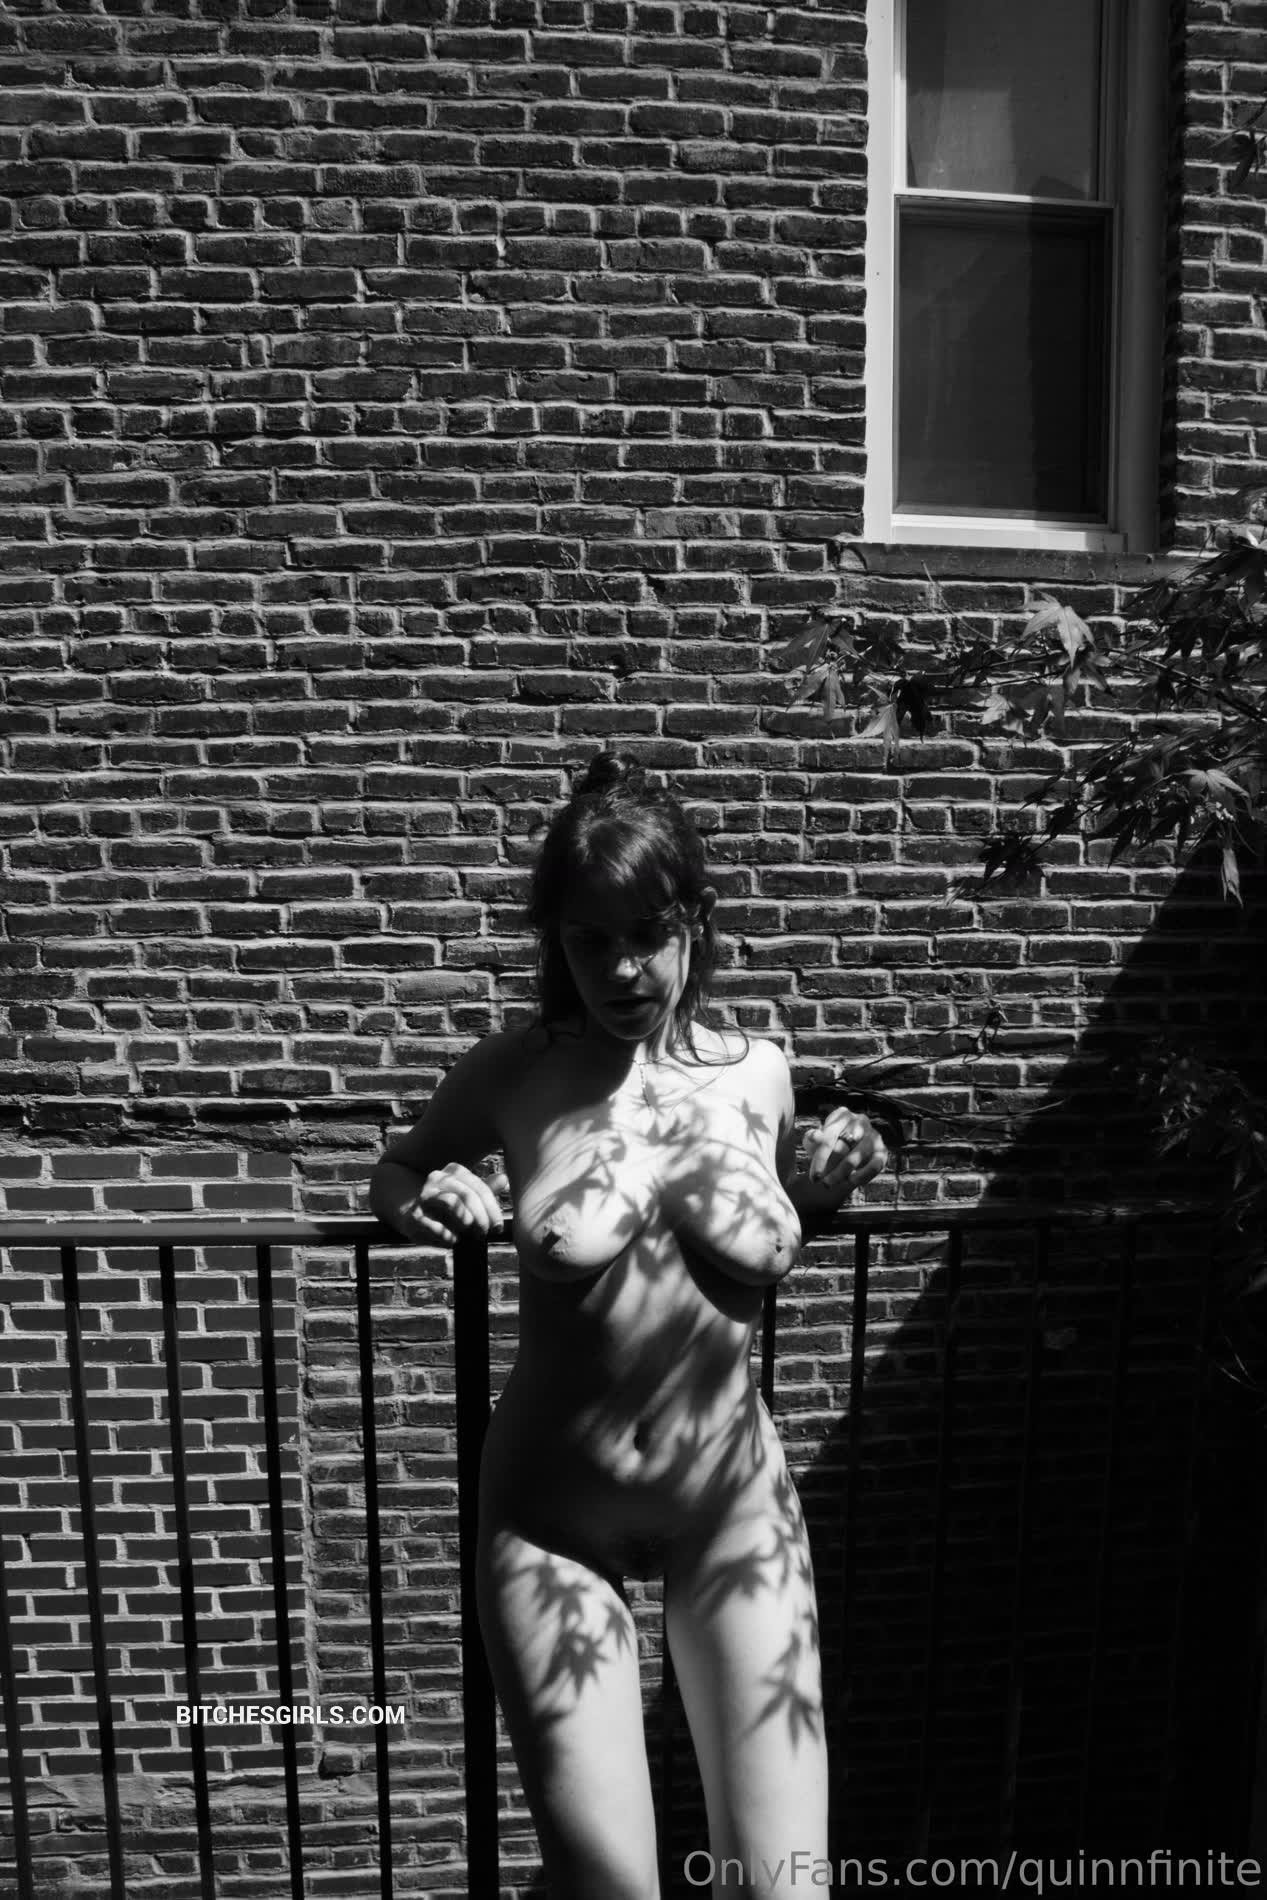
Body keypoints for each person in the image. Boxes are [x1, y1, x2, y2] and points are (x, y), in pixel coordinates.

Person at [369, 753, 888, 1900]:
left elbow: (761, 1225)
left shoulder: (758, 1074)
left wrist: (824, 1185)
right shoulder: (514, 1072)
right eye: (588, 940)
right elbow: (398, 1168)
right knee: (609, 1887)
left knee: (786, 1884)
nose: (620, 968)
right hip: (554, 1523)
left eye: (647, 934)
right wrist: (426, 1201)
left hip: (735, 1515)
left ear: (693, 921)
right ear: (554, 941)